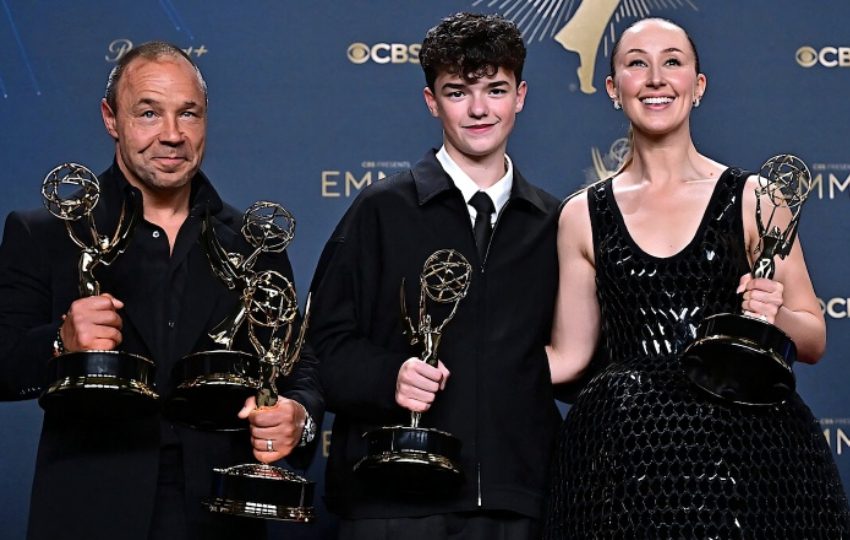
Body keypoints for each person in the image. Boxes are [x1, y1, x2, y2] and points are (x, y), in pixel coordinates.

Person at [0, 42, 322, 540]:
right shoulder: (46, 234)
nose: (172, 134)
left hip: (220, 519)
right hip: (89, 516)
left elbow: (295, 366)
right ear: (111, 119)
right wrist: (60, 342)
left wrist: (298, 416)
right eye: (148, 113)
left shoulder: (253, 243)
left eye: (187, 113)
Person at [543, 18, 850, 538]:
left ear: (698, 85)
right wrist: (475, 361)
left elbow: (813, 337)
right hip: (625, 459)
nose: (656, 78)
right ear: (614, 89)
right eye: (637, 63)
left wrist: (774, 313)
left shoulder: (757, 198)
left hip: (744, 450)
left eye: (673, 61)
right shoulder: (581, 215)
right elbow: (570, 357)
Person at [308, 12, 561, 540]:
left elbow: (579, 357)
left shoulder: (555, 223)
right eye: (457, 92)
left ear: (520, 96)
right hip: (393, 502)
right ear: (431, 101)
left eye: (495, 90)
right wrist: (388, 377)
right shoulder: (380, 210)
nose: (478, 109)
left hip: (516, 504)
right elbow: (317, 350)